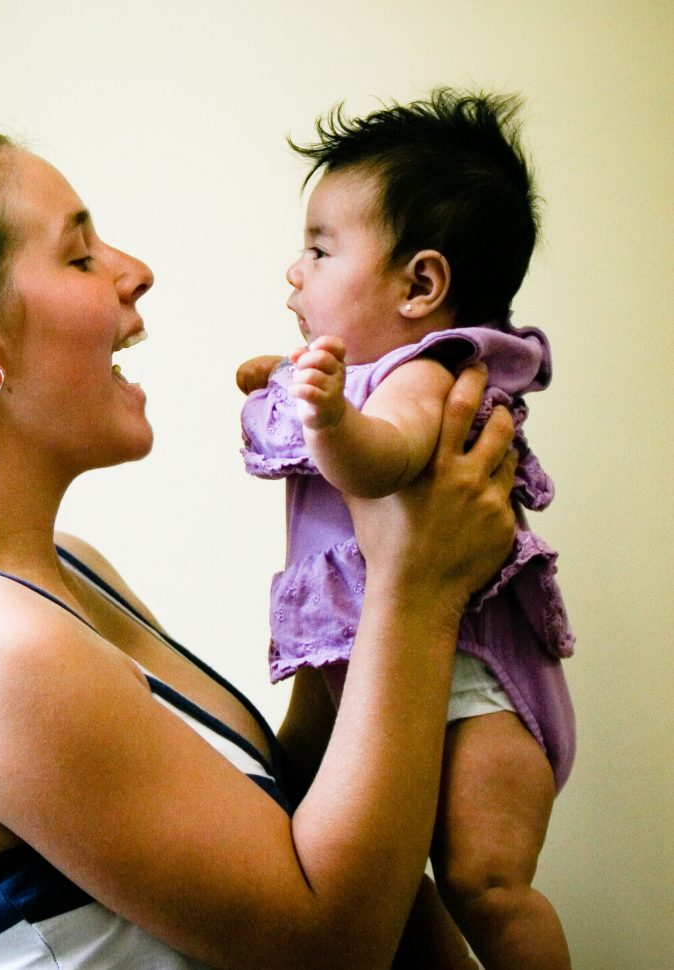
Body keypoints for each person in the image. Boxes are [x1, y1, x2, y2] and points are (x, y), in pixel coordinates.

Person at [0, 128, 518, 970]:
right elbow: (329, 947)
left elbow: (285, 826)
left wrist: (353, 547)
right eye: (78, 254)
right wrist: (418, 586)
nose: (134, 269)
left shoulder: (65, 569)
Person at [238, 90, 575, 968]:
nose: (293, 273)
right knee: (295, 813)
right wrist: (292, 382)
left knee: (487, 883)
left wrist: (324, 421)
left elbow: (382, 459)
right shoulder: (368, 375)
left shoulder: (432, 373)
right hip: (363, 673)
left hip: (471, 693)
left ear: (422, 284)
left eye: (319, 249)